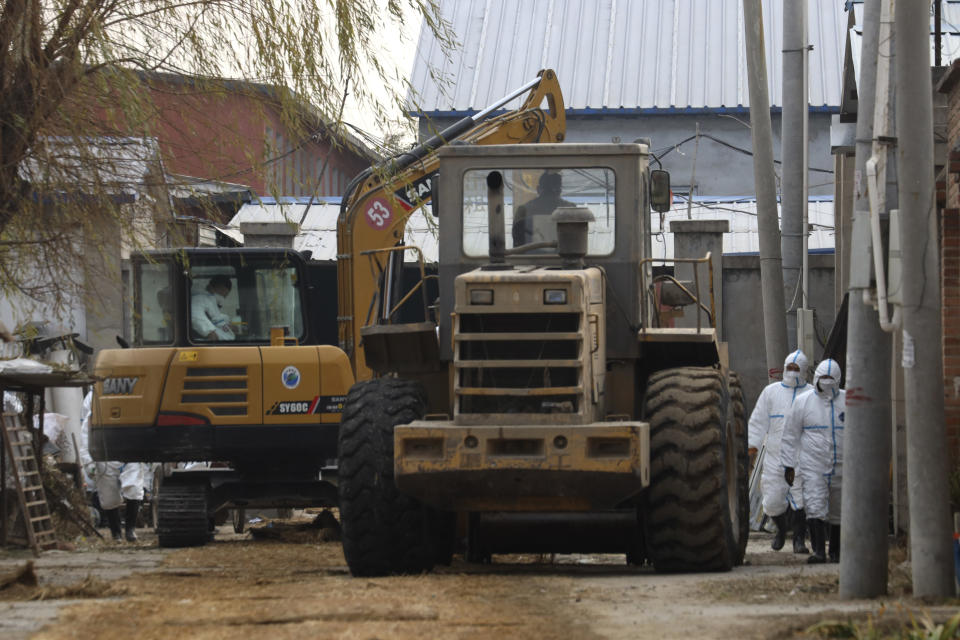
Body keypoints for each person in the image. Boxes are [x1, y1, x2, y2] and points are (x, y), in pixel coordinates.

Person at [780, 358, 846, 564]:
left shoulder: (848, 402)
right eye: (823, 378)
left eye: (830, 378)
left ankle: (836, 551)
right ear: (816, 378)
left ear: (838, 379)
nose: (826, 382)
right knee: (815, 504)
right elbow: (789, 435)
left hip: (843, 464)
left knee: (839, 509)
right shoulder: (803, 402)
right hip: (813, 465)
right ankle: (819, 551)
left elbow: (864, 433)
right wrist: (788, 464)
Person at [748, 350, 810, 553]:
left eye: (796, 369)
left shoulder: (811, 394)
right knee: (773, 501)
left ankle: (799, 540)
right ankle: (781, 530)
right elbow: (758, 421)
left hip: (802, 458)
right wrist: (751, 446)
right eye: (789, 368)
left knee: (800, 501)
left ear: (804, 371)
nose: (792, 373)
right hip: (775, 457)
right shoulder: (771, 392)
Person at [79, 391, 147, 542]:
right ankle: (116, 533)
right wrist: (89, 462)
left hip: (130, 454)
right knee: (109, 496)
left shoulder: (133, 403)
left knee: (134, 489)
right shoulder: (92, 410)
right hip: (105, 457)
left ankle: (130, 530)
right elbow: (85, 439)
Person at [512, 171, 573, 246]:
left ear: (538, 189)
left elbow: (517, 244)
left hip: (529, 256)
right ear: (560, 191)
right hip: (562, 257)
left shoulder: (523, 210)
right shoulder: (571, 210)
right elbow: (575, 242)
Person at [191, 275, 235, 341]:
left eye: (224, 296)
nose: (222, 298)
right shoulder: (200, 298)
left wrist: (226, 325)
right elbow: (195, 315)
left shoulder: (209, 300)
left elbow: (214, 318)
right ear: (210, 287)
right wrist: (210, 332)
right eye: (222, 293)